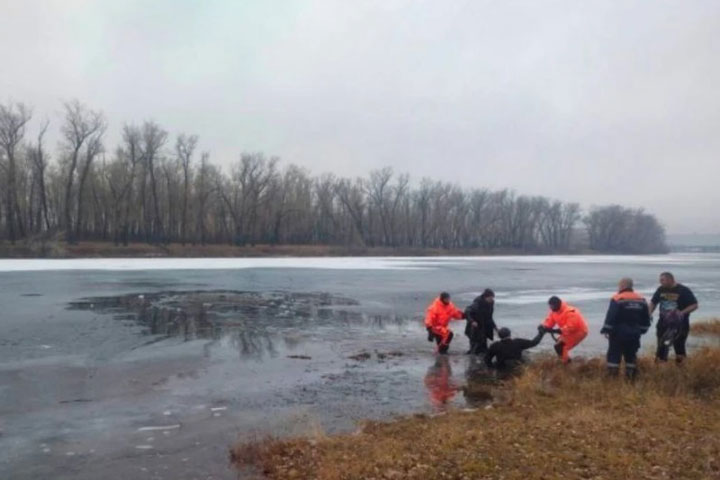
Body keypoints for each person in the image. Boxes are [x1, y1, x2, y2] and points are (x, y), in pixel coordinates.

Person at [600, 278, 651, 380]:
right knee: (631, 355)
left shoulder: (618, 298)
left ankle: (612, 378)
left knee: (614, 355)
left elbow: (611, 316)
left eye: (619, 285)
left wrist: (606, 330)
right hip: (634, 333)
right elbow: (646, 318)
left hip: (618, 332)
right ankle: (631, 379)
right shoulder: (641, 299)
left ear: (623, 285)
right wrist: (642, 330)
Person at [649, 272, 699, 363]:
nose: (661, 282)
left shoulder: (683, 290)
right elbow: (653, 302)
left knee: (679, 347)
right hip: (663, 323)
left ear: (670, 279)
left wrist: (682, 313)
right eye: (660, 280)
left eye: (662, 280)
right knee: (661, 346)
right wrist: (649, 314)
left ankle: (681, 370)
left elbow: (694, 305)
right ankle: (661, 369)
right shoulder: (661, 289)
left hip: (680, 324)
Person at [541, 296, 588, 363]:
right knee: (558, 345)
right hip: (567, 331)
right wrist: (543, 326)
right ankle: (566, 361)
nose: (551, 308)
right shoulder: (554, 311)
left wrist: (557, 331)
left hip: (579, 331)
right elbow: (549, 322)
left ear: (558, 305)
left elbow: (571, 327)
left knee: (560, 346)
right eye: (550, 306)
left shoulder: (570, 312)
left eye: (552, 306)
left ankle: (566, 364)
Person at [464, 288, 498, 355]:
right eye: (490, 298)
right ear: (485, 297)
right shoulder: (477, 303)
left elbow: (490, 316)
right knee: (475, 342)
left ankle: (483, 354)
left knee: (484, 340)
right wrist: (472, 321)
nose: (492, 300)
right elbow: (467, 311)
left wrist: (495, 327)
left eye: (492, 298)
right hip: (475, 324)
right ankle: (472, 357)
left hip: (484, 323)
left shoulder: (491, 303)